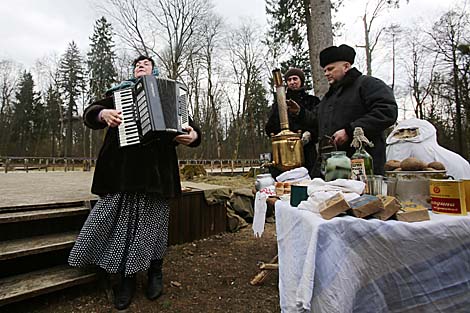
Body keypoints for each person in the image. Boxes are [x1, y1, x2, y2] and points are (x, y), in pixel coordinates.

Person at [68, 55, 201, 310]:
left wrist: (193, 136)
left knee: (155, 226)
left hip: (158, 174)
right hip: (124, 172)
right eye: (137, 64)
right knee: (123, 226)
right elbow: (90, 113)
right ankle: (126, 278)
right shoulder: (119, 93)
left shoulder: (171, 93)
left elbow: (191, 129)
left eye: (146, 64)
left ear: (154, 70)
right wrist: (103, 113)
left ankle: (154, 271)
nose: (140, 66)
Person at [316, 44, 398, 175]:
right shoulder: (328, 98)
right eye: (325, 70)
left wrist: (350, 130)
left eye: (330, 69)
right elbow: (316, 122)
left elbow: (387, 111)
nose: (326, 74)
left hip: (364, 165)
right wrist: (299, 113)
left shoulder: (368, 84)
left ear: (346, 66)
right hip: (333, 168)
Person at [265, 68, 320, 178]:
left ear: (301, 81)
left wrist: (309, 135)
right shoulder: (279, 103)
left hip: (306, 152)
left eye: (295, 79)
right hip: (283, 152)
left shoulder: (312, 101)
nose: (292, 82)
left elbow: (318, 124)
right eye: (289, 80)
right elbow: (270, 128)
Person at [386, 117, 470, 179]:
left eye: (412, 131)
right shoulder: (458, 161)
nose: (406, 135)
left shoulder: (456, 161)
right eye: (401, 132)